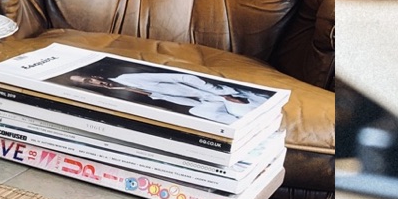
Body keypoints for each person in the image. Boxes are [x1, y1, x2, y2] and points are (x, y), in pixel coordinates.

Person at [61, 67, 267, 126]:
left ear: (95, 76)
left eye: (90, 79)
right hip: (199, 104)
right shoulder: (115, 93)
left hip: (212, 93)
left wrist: (221, 93)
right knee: (211, 118)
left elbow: (185, 77)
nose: (94, 83)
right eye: (88, 85)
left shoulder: (126, 77)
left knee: (245, 112)